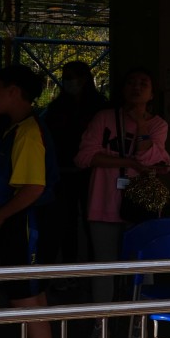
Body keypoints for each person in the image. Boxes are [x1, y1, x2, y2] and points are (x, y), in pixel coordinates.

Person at [75, 68, 170, 338]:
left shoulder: (158, 125)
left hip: (140, 205)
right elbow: (84, 156)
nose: (136, 87)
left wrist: (140, 125)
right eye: (131, 82)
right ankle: (100, 325)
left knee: (142, 266)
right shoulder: (104, 118)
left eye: (143, 83)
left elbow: (151, 158)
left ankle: (139, 324)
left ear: (152, 93)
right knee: (104, 267)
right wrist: (128, 163)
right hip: (103, 202)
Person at [0, 66, 56, 338]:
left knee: (25, 297)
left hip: (27, 224)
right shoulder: (17, 129)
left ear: (13, 92)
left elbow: (33, 187)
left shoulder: (28, 132)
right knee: (33, 294)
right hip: (24, 222)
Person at [41, 61, 105, 266]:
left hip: (91, 171)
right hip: (64, 171)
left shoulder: (100, 107)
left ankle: (94, 264)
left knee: (92, 218)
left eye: (71, 77)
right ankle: (70, 264)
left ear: (84, 79)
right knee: (66, 221)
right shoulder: (57, 107)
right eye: (65, 77)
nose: (67, 82)